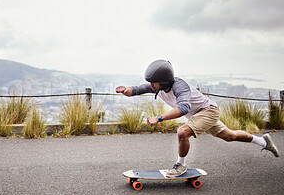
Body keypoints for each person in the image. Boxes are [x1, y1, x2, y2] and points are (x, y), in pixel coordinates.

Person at [116, 59, 280, 177]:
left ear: (163, 80)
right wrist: (126, 90)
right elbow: (137, 89)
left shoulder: (179, 87)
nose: (151, 85)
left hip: (208, 111)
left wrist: (159, 118)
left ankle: (181, 165)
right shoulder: (157, 87)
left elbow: (183, 108)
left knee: (183, 132)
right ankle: (264, 142)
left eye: (153, 82)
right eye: (150, 82)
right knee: (230, 136)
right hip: (199, 114)